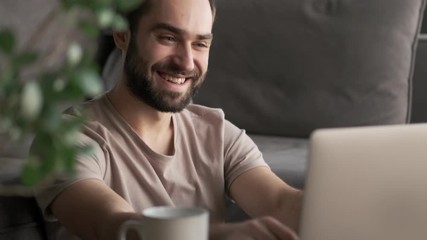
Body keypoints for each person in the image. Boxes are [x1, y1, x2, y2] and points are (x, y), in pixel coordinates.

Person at [34, 0, 303, 239]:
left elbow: (279, 202)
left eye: (200, 44)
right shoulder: (67, 139)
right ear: (122, 35)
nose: (186, 63)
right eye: (168, 37)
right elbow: (112, 224)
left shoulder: (218, 134)